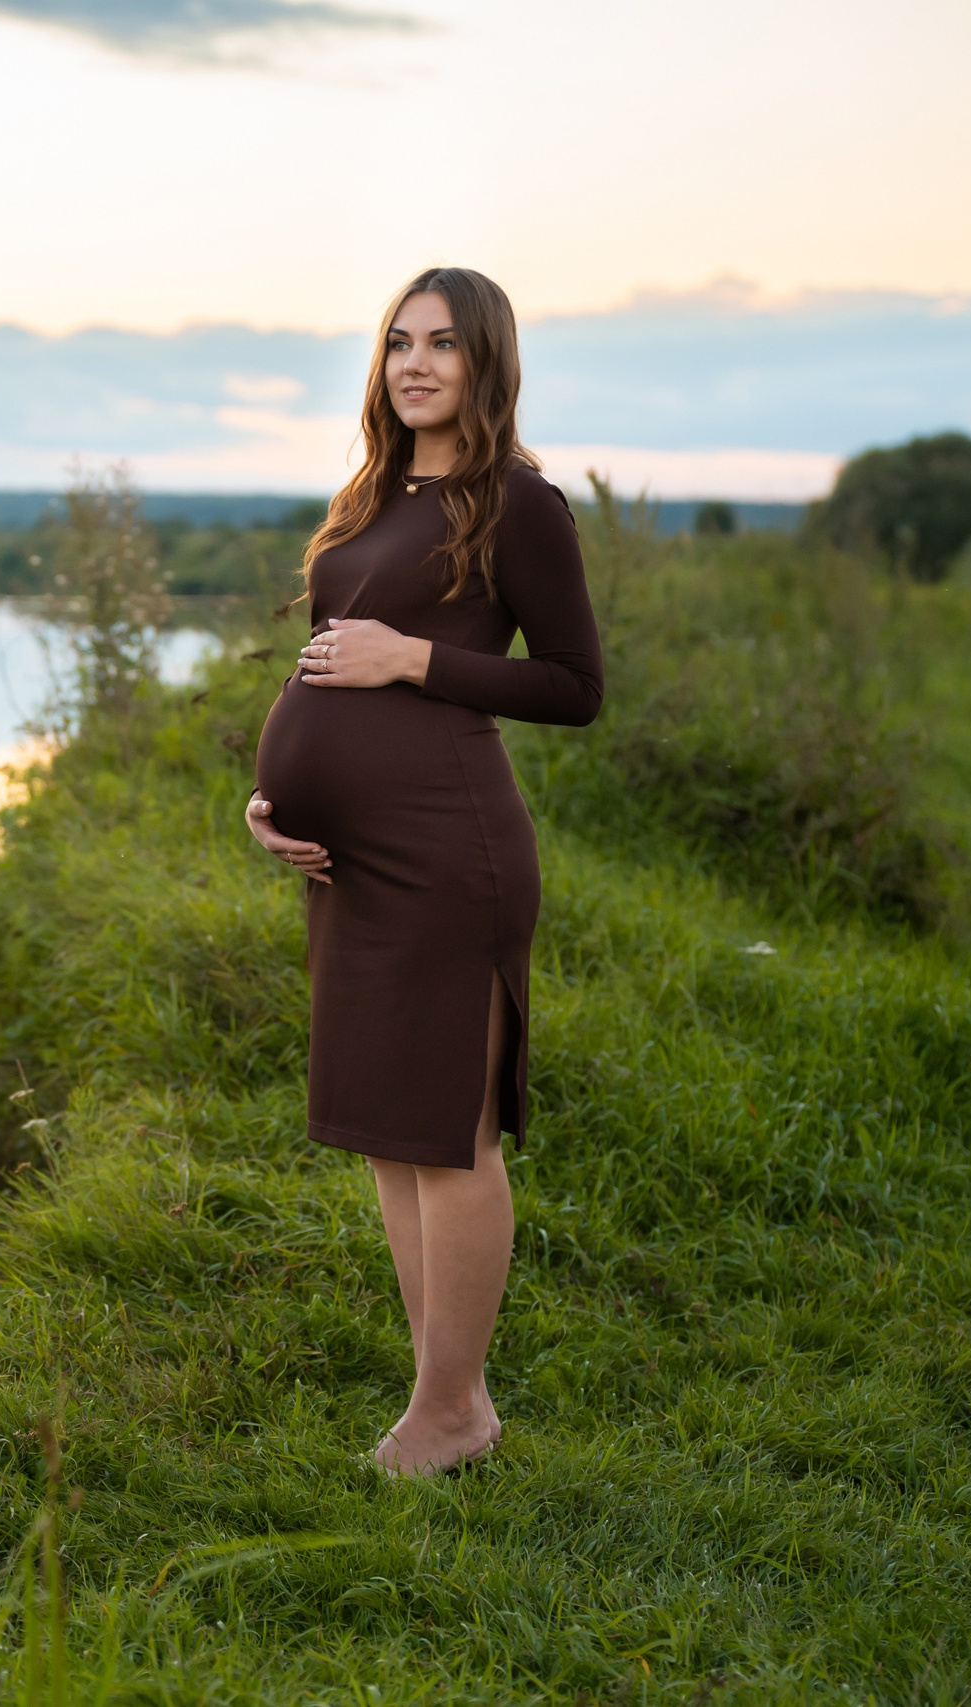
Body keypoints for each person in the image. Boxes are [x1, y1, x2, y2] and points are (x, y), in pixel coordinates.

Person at [246, 266, 603, 1476]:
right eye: (399, 342)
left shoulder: (519, 504)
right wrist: (270, 799)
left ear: (485, 363)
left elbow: (572, 685)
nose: (415, 364)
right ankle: (442, 1396)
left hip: (447, 850)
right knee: (397, 1131)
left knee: (451, 1133)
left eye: (443, 345)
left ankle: (452, 1409)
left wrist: (414, 659)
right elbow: (320, 665)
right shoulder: (373, 493)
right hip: (351, 861)